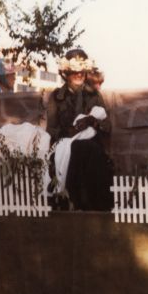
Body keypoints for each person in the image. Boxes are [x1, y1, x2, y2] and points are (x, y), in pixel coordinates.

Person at [46, 49, 113, 211]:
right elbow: (51, 129)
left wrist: (93, 121)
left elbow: (108, 126)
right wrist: (66, 132)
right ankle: (74, 204)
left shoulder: (94, 95)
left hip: (91, 145)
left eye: (81, 71)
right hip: (65, 144)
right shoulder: (56, 97)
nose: (78, 75)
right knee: (77, 149)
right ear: (66, 73)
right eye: (74, 71)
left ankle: (96, 209)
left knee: (88, 150)